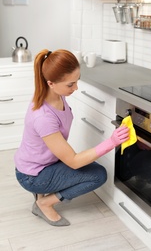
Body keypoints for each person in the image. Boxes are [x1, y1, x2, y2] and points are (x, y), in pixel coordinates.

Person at [14, 49, 129, 227]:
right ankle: (44, 203)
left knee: (88, 167)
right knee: (98, 175)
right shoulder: (43, 117)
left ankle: (43, 194)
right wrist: (112, 142)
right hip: (32, 176)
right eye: (70, 85)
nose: (76, 88)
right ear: (51, 83)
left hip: (40, 163)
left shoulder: (54, 94)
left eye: (77, 81)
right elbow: (74, 162)